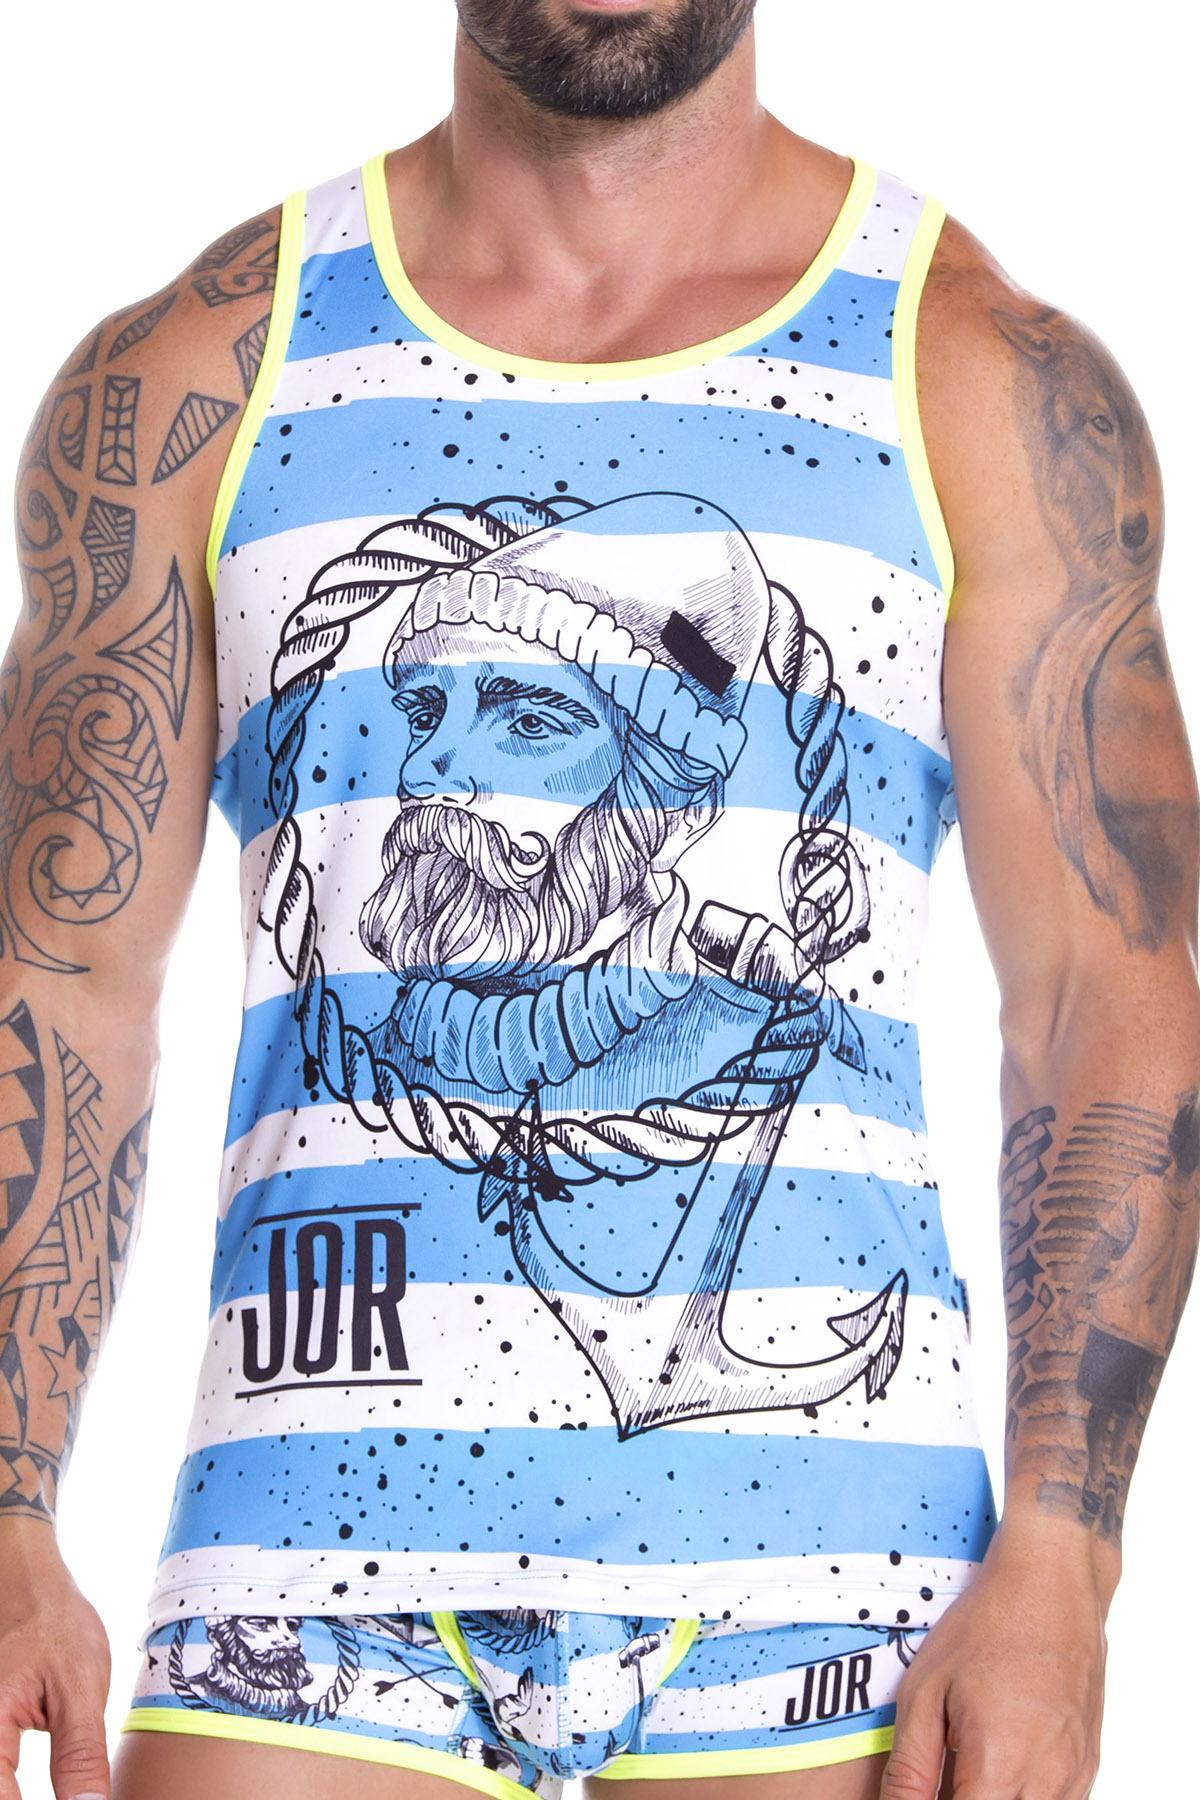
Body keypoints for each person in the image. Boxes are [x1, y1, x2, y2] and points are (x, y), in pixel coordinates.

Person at [1, 2, 1196, 1797]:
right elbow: (60, 978)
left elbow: (1107, 986)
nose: (459, 774)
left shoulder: (966, 370)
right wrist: (6, 1508)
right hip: (297, 1565)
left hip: (831, 1584)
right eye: (434, 716)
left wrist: (1065, 1561)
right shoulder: (197, 382)